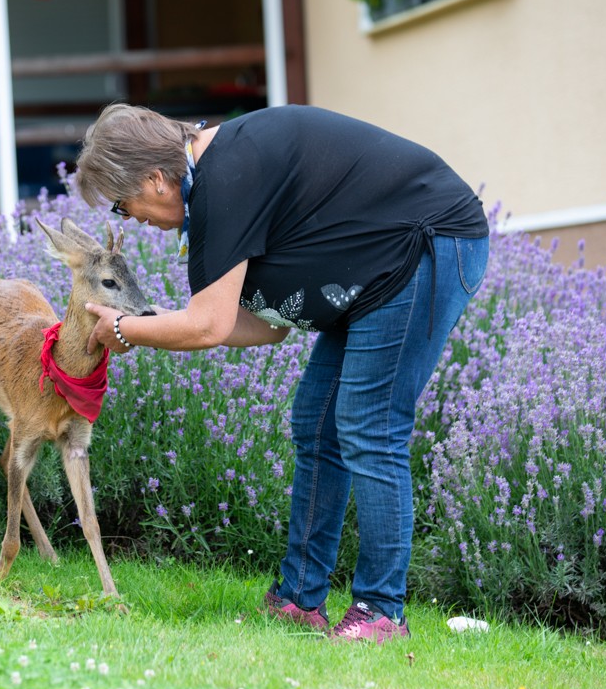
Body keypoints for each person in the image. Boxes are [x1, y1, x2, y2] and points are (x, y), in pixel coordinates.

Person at [76, 103, 489, 643]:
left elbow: (208, 326)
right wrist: (145, 323)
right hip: (372, 267)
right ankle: (298, 599)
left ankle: (382, 611)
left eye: (122, 206)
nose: (133, 220)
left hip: (425, 245)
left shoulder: (224, 178)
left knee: (370, 426)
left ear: (154, 178)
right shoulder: (211, 182)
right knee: (317, 424)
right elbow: (265, 324)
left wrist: (128, 329)